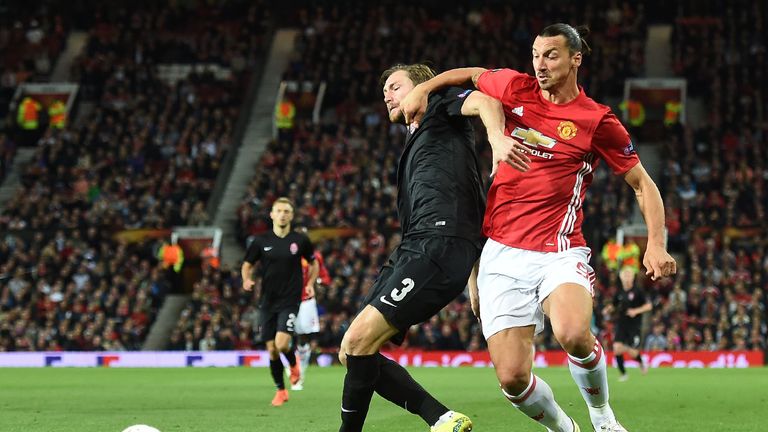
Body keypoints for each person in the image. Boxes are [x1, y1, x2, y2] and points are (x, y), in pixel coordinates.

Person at [401, 24, 677, 432]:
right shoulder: (516, 88)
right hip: (501, 251)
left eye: (551, 55)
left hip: (559, 248)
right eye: (535, 54)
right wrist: (423, 90)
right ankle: (565, 429)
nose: (540, 64)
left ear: (575, 59)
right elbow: (470, 74)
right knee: (512, 378)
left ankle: (604, 419)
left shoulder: (596, 120)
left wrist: (656, 243)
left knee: (573, 332)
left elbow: (642, 183)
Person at [337, 63, 529, 432]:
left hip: (437, 245)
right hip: (417, 247)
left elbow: (487, 102)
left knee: (359, 341)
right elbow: (472, 202)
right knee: (352, 350)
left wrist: (496, 138)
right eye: (384, 93)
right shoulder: (420, 140)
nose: (387, 96)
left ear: (421, 87)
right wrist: (475, 273)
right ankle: (441, 418)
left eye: (395, 86)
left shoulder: (441, 104)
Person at [242, 197, 319, 407]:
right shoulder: (260, 241)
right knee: (272, 350)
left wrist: (310, 283)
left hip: (290, 299)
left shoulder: (300, 240)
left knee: (281, 343)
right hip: (267, 301)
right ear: (272, 214)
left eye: (287, 211)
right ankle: (281, 391)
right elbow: (247, 264)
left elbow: (314, 263)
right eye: (279, 211)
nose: (283, 214)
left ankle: (293, 365)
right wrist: (246, 279)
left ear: (291, 216)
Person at [291, 246, 331, 390]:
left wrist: (318, 282)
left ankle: (300, 372)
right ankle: (292, 368)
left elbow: (325, 278)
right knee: (284, 337)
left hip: (306, 301)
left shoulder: (314, 256)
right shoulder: (285, 252)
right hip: (287, 300)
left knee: (303, 337)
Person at [604, 266, 651, 381]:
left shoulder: (638, 291)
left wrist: (636, 311)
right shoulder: (619, 292)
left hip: (634, 325)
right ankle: (623, 374)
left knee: (633, 352)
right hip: (622, 324)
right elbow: (614, 305)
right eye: (625, 275)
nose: (627, 278)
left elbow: (648, 306)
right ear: (621, 277)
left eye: (629, 275)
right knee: (616, 348)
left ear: (633, 277)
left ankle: (641, 361)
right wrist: (608, 309)